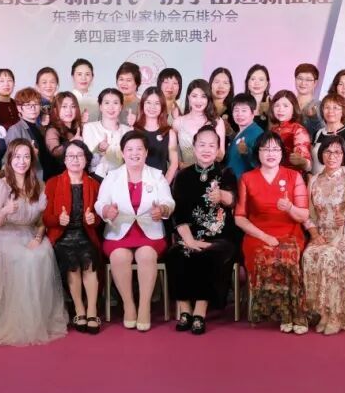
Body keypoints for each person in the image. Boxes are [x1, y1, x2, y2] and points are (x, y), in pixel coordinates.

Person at [0, 139, 67, 346]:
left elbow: (42, 220)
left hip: (30, 233)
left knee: (42, 253)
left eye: (26, 157)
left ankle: (35, 318)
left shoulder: (38, 185)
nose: (22, 161)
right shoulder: (0, 185)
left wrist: (38, 238)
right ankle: (17, 319)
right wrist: (5, 210)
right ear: (9, 159)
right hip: (4, 234)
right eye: (17, 156)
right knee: (25, 259)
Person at [95, 130, 176, 331]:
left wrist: (163, 209)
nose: (134, 153)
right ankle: (129, 305)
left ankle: (144, 306)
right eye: (129, 149)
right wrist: (106, 210)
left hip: (150, 233)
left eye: (139, 149)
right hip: (118, 232)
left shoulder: (156, 175)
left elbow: (168, 202)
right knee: (119, 257)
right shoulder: (112, 176)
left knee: (146, 255)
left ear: (146, 152)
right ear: (122, 153)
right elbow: (100, 203)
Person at [235, 131, 311, 334]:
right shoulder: (247, 178)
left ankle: (296, 312)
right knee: (266, 253)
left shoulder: (294, 176)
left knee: (287, 254)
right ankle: (283, 312)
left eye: (275, 149)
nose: (271, 153)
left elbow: (304, 215)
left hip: (290, 232)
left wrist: (290, 208)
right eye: (265, 149)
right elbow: (239, 217)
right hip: (258, 234)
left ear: (282, 153)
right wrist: (265, 237)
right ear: (257, 152)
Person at [164, 126, 237, 335]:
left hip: (220, 237)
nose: (206, 149)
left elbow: (233, 199)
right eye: (202, 145)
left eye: (211, 145)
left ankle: (199, 313)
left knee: (207, 255)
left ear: (218, 149)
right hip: (190, 235)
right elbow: (179, 213)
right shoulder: (183, 176)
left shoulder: (226, 172)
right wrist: (189, 240)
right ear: (194, 148)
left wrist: (222, 196)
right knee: (177, 254)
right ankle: (185, 309)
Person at [302, 135, 345, 335]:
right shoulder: (314, 180)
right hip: (322, 237)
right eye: (328, 151)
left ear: (344, 156)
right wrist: (314, 234)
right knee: (309, 256)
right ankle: (321, 312)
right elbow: (308, 214)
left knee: (329, 257)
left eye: (337, 152)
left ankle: (335, 315)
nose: (332, 156)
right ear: (321, 154)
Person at [42, 140, 103, 334]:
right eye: (70, 156)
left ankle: (92, 310)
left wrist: (93, 219)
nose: (75, 159)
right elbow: (45, 217)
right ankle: (79, 309)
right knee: (72, 263)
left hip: (86, 234)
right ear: (64, 160)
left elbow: (100, 218)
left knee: (89, 261)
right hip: (62, 236)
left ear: (86, 159)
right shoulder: (53, 183)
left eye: (79, 155)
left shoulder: (94, 184)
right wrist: (57, 219)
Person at [5, 87, 60, 180]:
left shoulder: (40, 127)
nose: (33, 108)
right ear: (19, 108)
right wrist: (30, 153)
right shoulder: (15, 130)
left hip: (50, 176)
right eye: (28, 105)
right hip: (33, 179)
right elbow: (12, 160)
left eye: (36, 104)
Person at [174, 79, 227, 169]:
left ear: (208, 99)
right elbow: (173, 151)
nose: (198, 101)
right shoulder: (178, 122)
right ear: (188, 97)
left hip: (209, 173)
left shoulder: (217, 122)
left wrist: (207, 151)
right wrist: (181, 165)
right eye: (194, 96)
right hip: (185, 172)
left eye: (203, 96)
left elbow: (221, 155)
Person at [82, 88, 132, 180]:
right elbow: (86, 161)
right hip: (95, 179)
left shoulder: (128, 131)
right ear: (100, 106)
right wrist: (99, 150)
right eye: (107, 103)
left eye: (115, 103)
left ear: (121, 107)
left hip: (122, 179)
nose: (111, 107)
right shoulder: (89, 128)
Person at [135, 87, 179, 183]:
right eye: (148, 102)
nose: (152, 107)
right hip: (137, 184)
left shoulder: (169, 133)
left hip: (160, 183)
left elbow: (174, 163)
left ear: (162, 106)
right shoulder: (133, 131)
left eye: (157, 103)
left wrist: (163, 185)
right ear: (142, 104)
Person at [310, 93, 345, 175]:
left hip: (338, 181)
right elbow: (312, 160)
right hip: (315, 179)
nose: (330, 111)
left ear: (343, 111)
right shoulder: (318, 133)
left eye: (335, 108)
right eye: (327, 107)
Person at [269, 90, 312, 173]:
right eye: (277, 105)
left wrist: (302, 161)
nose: (280, 109)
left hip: (290, 176)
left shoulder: (298, 130)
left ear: (294, 109)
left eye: (285, 106)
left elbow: (308, 166)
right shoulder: (273, 129)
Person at [225, 93, 264, 179]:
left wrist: (246, 151)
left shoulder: (258, 133)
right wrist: (230, 133)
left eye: (244, 110)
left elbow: (260, 163)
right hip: (231, 180)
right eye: (236, 110)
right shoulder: (241, 131)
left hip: (245, 182)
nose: (239, 114)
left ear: (253, 113)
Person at [44, 91, 83, 169]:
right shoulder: (52, 130)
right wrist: (71, 142)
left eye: (73, 106)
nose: (69, 110)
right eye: (64, 106)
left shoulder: (78, 128)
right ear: (55, 110)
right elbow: (55, 152)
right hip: (59, 174)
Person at [294, 63, 323, 137]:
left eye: (308, 80)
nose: (303, 83)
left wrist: (313, 118)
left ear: (315, 83)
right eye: (300, 78)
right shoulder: (288, 102)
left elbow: (322, 132)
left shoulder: (320, 106)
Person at [208, 67, 235, 136]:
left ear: (230, 87)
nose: (221, 86)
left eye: (225, 83)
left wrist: (229, 132)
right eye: (217, 82)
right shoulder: (203, 106)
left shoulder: (235, 109)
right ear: (210, 84)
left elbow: (240, 138)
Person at [70, 58, 99, 123]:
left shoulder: (97, 102)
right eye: (79, 74)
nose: (83, 78)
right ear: (73, 76)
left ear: (92, 77)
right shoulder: (65, 100)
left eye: (87, 74)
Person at [115, 61, 142, 126]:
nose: (124, 83)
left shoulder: (142, 105)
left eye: (128, 80)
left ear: (137, 83)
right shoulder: (110, 103)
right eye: (121, 79)